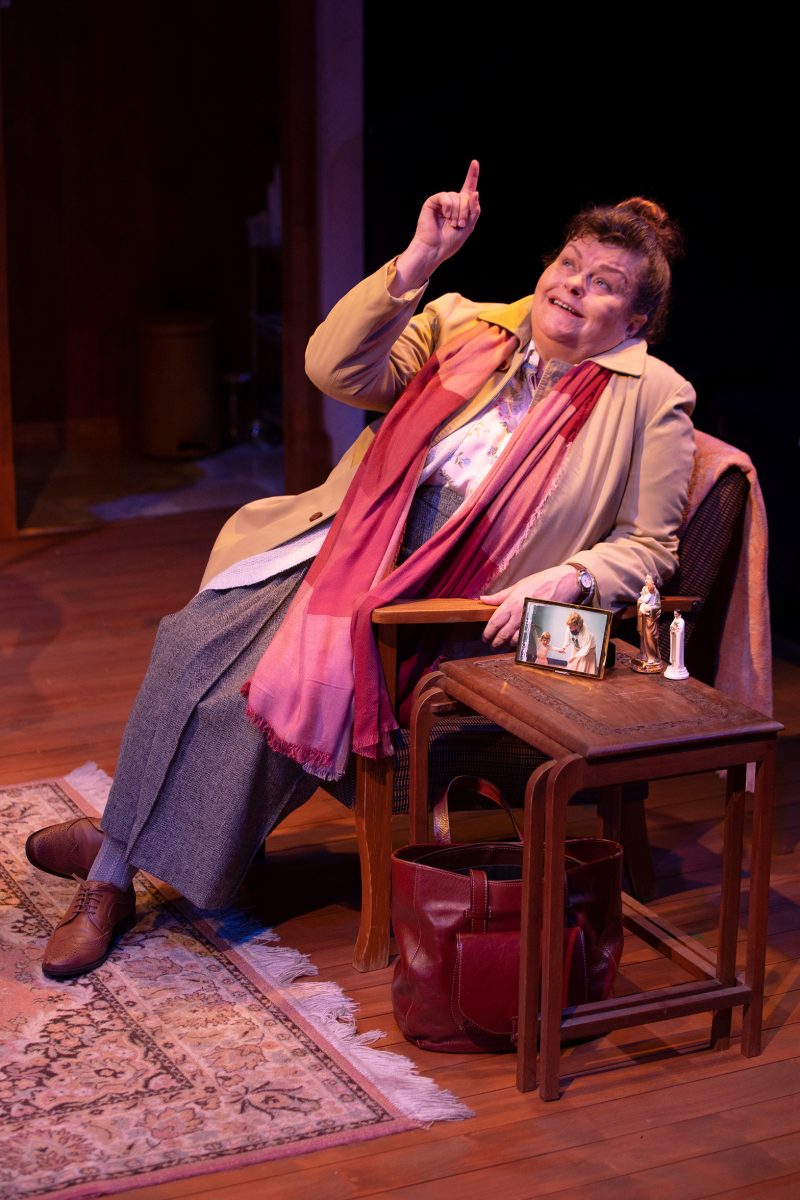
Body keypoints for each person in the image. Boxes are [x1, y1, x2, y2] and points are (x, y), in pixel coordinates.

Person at [24, 161, 696, 979]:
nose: (573, 288)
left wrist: (567, 580)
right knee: (191, 642)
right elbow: (334, 370)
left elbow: (649, 546)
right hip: (348, 548)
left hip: (452, 605)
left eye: (605, 285)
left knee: (260, 688)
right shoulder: (465, 323)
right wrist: (417, 264)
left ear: (638, 318)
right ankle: (124, 847)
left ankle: (110, 869)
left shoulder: (652, 395)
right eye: (569, 266)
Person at [635, 573, 662, 666]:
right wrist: (640, 603)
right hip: (643, 619)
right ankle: (644, 654)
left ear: (653, 582)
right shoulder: (645, 589)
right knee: (643, 637)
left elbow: (658, 607)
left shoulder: (656, 593)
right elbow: (641, 600)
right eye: (646, 579)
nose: (646, 581)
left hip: (650, 619)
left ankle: (652, 657)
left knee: (650, 637)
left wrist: (649, 609)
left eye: (648, 579)